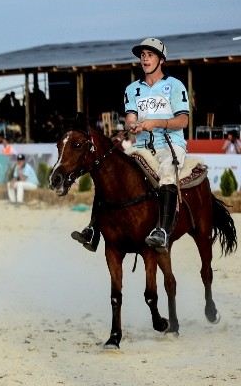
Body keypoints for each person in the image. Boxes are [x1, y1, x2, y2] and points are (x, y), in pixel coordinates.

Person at [72, 37, 189, 251]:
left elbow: (183, 120)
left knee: (167, 174)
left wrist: (155, 123)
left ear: (161, 59)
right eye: (142, 55)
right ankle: (93, 229)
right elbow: (131, 116)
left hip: (170, 145)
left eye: (150, 55)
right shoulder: (132, 89)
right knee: (111, 173)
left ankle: (162, 231)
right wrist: (133, 124)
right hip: (142, 147)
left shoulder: (174, 86)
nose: (145, 59)